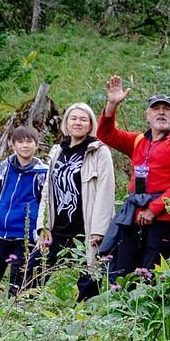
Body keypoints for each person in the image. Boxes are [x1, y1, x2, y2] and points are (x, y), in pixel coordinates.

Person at [97, 78, 170, 281]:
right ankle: (124, 309)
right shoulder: (137, 141)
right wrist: (112, 105)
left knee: (151, 275)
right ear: (148, 115)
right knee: (123, 273)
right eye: (156, 108)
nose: (161, 112)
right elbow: (105, 134)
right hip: (132, 217)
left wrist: (154, 209)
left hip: (162, 219)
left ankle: (149, 312)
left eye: (166, 109)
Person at [36, 102, 115, 300]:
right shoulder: (57, 152)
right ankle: (21, 316)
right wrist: (43, 225)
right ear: (66, 123)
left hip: (86, 229)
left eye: (83, 119)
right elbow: (47, 190)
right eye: (73, 118)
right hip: (58, 228)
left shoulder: (98, 152)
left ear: (90, 125)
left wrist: (99, 230)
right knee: (34, 270)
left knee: (89, 280)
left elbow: (106, 191)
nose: (77, 123)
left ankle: (83, 323)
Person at [0, 125, 48, 302]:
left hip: (25, 233)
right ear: (12, 145)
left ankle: (14, 319)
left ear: (37, 145)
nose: (25, 146)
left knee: (19, 278)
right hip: (1, 229)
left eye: (29, 142)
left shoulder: (42, 172)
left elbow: (46, 201)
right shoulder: (5, 167)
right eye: (21, 142)